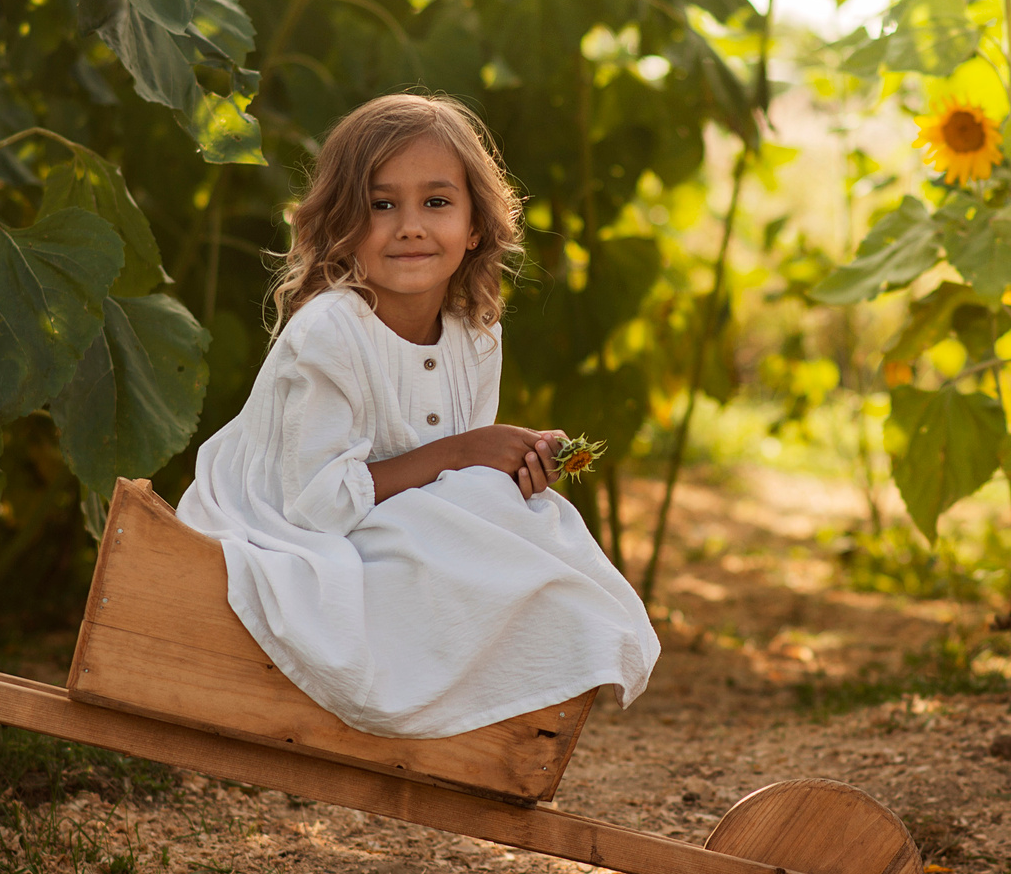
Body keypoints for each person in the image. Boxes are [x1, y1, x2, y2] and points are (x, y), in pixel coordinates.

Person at [175, 93, 660, 740]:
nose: (410, 225)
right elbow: (317, 505)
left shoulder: (475, 335)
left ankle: (540, 689)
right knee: (475, 532)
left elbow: (453, 487)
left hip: (378, 514)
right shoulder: (331, 332)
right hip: (283, 523)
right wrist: (465, 453)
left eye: (436, 202)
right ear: (343, 222)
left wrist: (506, 466)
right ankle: (455, 714)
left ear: (477, 224)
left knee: (532, 520)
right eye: (381, 204)